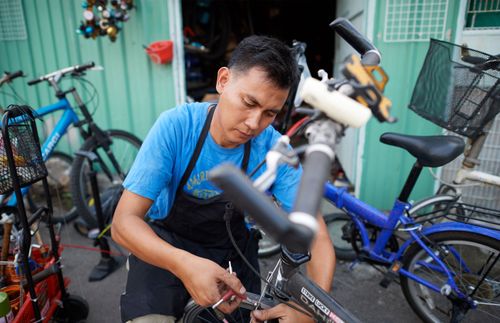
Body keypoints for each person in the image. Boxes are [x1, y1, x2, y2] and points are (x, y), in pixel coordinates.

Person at [111, 35, 335, 323]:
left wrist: (312, 311)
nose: (254, 124)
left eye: (270, 113)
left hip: (230, 253)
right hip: (166, 244)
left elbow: (316, 237)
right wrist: (183, 263)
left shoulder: (274, 150)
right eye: (248, 102)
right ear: (223, 81)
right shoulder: (177, 127)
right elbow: (123, 223)